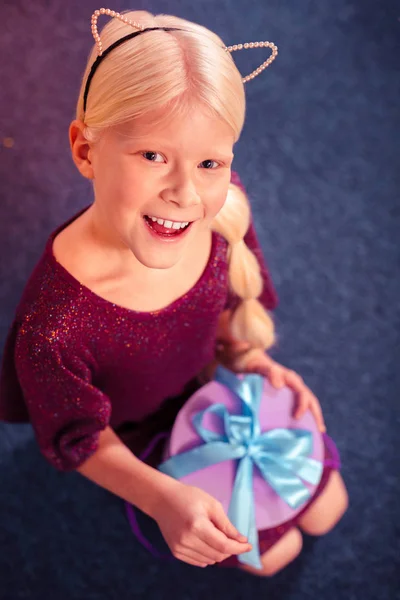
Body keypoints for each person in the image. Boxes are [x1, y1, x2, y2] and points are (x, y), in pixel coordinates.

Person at [0, 8, 348, 576]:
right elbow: (79, 438)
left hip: (212, 391)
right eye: (154, 156)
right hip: (137, 439)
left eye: (210, 162)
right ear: (86, 151)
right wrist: (161, 497)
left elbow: (231, 307)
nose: (187, 193)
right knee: (271, 556)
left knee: (329, 510)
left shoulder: (221, 212)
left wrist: (251, 359)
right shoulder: (53, 328)